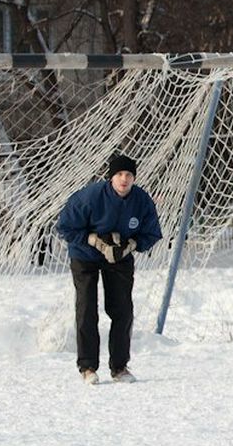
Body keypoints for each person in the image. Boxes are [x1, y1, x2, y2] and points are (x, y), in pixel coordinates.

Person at [56, 153, 163, 385]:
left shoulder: (142, 201)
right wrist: (94, 240)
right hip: (85, 256)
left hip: (119, 257)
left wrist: (131, 244)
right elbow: (64, 226)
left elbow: (152, 232)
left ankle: (120, 367)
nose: (124, 179)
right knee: (86, 308)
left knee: (122, 309)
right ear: (111, 177)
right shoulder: (89, 197)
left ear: (134, 178)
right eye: (119, 174)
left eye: (129, 175)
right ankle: (87, 367)